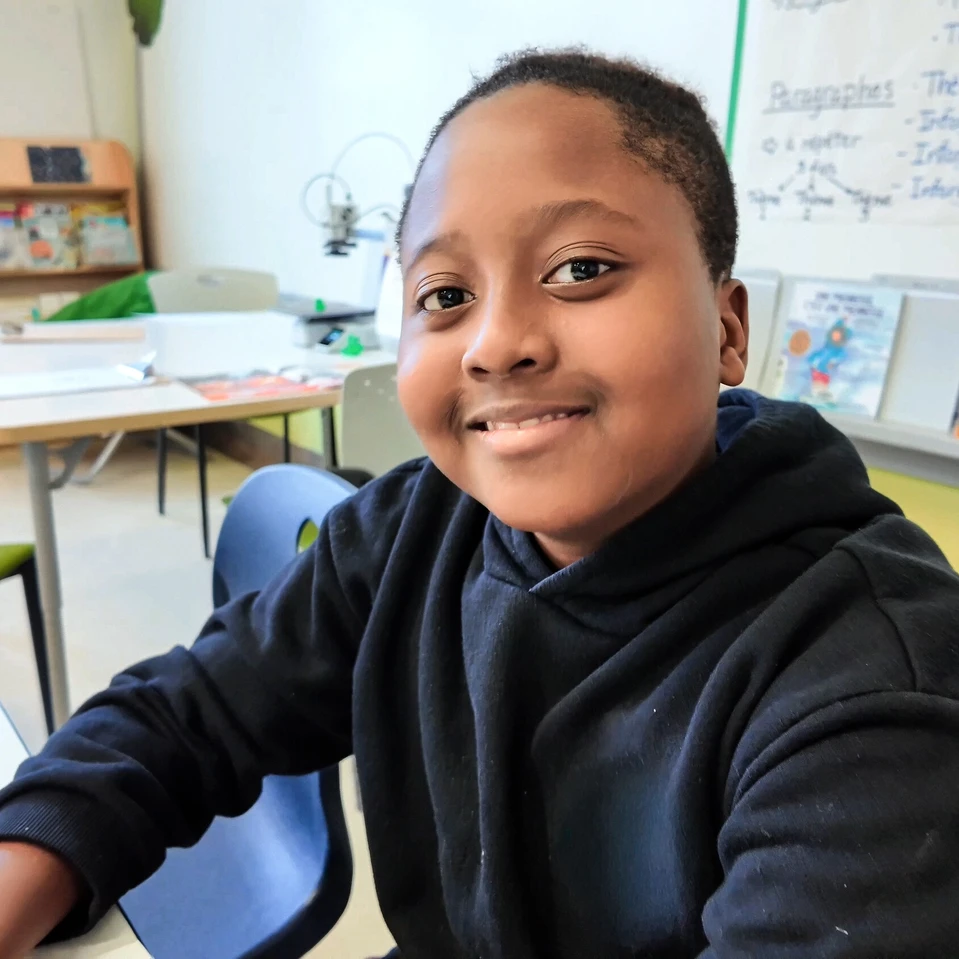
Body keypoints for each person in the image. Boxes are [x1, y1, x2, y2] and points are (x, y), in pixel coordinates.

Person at [2, 47, 959, 959]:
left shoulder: (872, 684)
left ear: (727, 327)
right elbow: (189, 712)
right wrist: (29, 857)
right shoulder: (408, 528)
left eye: (580, 268)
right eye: (445, 293)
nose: (494, 343)